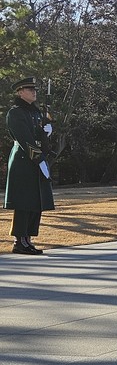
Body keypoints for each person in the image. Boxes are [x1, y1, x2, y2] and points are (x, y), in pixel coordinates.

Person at [3, 77, 54, 254]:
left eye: (35, 90)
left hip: (36, 158)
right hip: (24, 160)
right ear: (20, 92)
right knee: (24, 201)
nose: (34, 92)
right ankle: (19, 241)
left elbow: (37, 135)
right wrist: (39, 160)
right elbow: (25, 139)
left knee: (36, 200)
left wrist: (46, 132)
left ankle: (28, 239)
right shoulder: (16, 113)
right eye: (30, 89)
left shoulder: (35, 113)